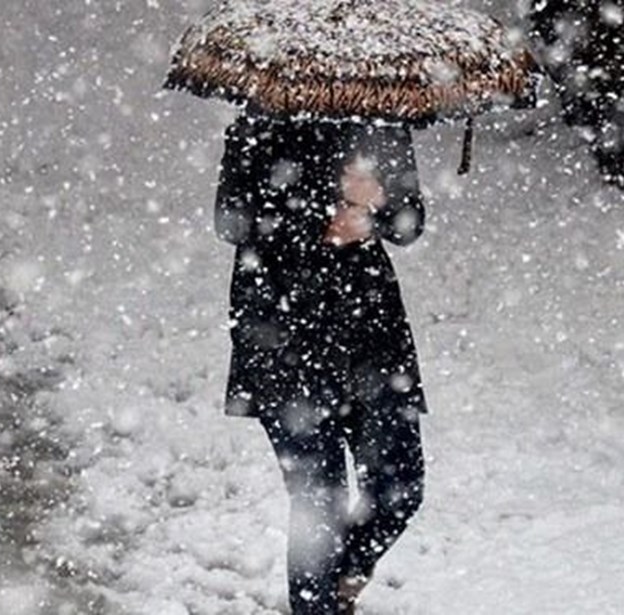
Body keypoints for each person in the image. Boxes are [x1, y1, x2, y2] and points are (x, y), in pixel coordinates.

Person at [214, 108, 427, 615]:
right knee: (320, 501)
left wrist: (376, 207)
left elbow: (411, 221)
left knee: (400, 483)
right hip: (282, 335)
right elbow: (232, 220)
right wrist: (324, 210)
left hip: (370, 335)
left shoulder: (380, 118)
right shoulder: (258, 122)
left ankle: (343, 579)